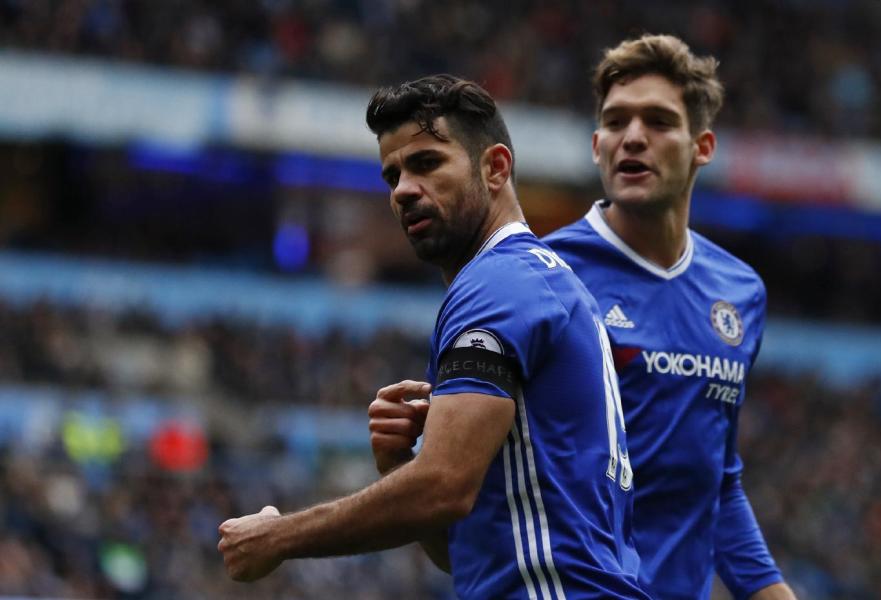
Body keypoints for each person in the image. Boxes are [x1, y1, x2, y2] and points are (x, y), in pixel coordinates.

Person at [219, 74, 649, 600]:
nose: (402, 190)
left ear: (495, 168)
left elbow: (444, 488)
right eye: (392, 175)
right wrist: (402, 465)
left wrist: (280, 537)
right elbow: (458, 551)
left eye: (426, 163)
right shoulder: (540, 281)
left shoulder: (498, 285)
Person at [542, 35, 796, 600]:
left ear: (702, 146)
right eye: (616, 121)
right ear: (596, 144)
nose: (633, 137)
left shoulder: (740, 293)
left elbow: (716, 484)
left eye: (658, 121)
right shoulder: (545, 276)